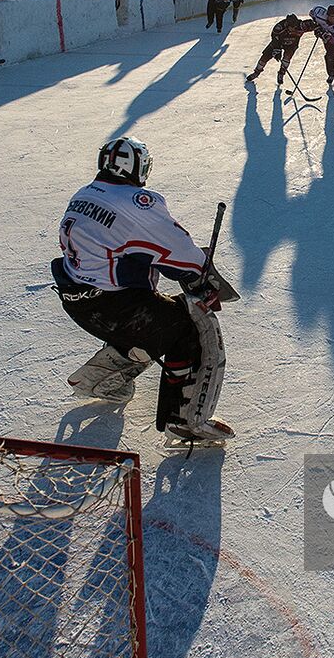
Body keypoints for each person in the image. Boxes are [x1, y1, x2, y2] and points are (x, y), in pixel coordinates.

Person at [53, 136, 233, 443]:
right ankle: (186, 420)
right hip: (116, 308)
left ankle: (99, 378)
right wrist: (201, 278)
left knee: (154, 321)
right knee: (190, 324)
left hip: (79, 303)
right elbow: (183, 257)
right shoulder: (137, 203)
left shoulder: (84, 194)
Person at [246, 13, 313, 85]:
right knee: (265, 57)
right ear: (287, 24)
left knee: (286, 59)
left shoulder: (302, 25)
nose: (293, 29)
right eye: (291, 27)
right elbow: (274, 39)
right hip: (278, 43)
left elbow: (315, 24)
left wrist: (318, 30)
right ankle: (256, 72)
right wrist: (277, 50)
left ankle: (281, 73)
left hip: (291, 45)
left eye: (295, 26)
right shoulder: (279, 27)